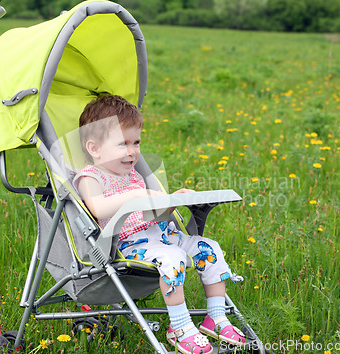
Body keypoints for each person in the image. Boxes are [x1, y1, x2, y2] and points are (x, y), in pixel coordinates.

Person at [73, 95, 245, 354]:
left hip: (162, 234)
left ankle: (216, 317)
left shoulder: (133, 175)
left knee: (209, 248)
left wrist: (173, 201)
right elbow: (96, 207)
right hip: (126, 244)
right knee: (173, 257)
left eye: (136, 142)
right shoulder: (90, 177)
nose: (132, 151)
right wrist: (133, 196)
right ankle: (179, 327)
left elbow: (154, 214)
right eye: (123, 144)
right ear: (95, 149)